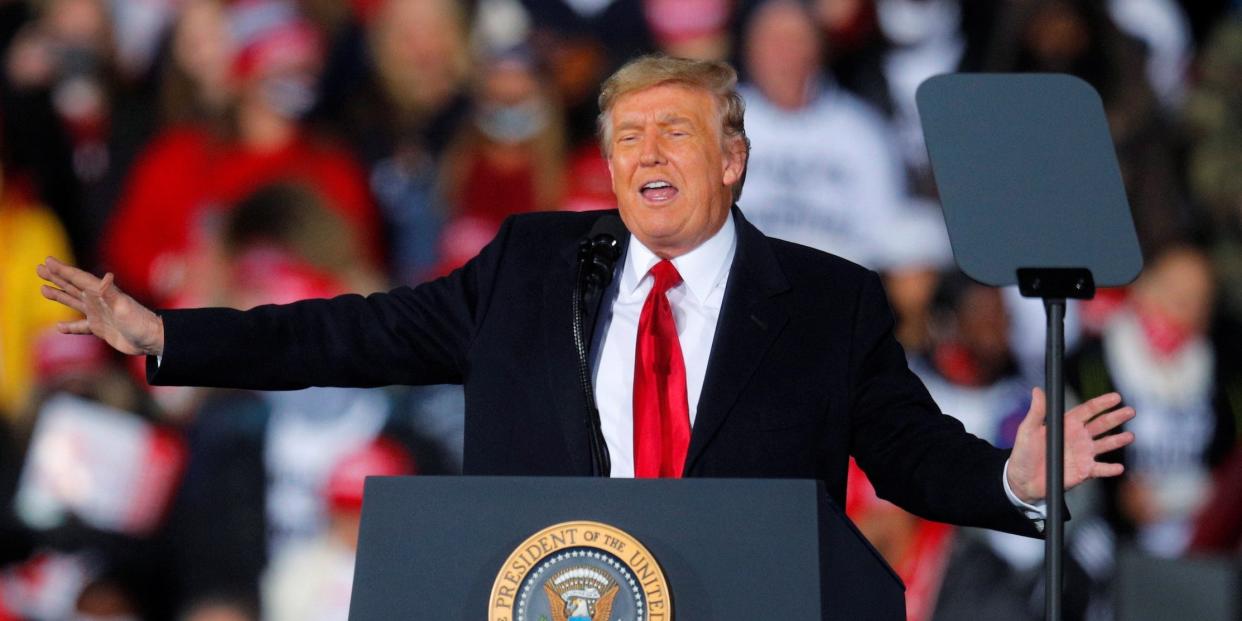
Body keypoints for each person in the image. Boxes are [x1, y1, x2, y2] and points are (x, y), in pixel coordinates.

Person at [36, 55, 1133, 538]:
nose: (645, 156)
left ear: (735, 158)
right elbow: (354, 332)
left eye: (673, 134)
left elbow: (904, 452)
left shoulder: (826, 302)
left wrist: (1013, 481)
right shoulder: (527, 265)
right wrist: (165, 334)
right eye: (625, 139)